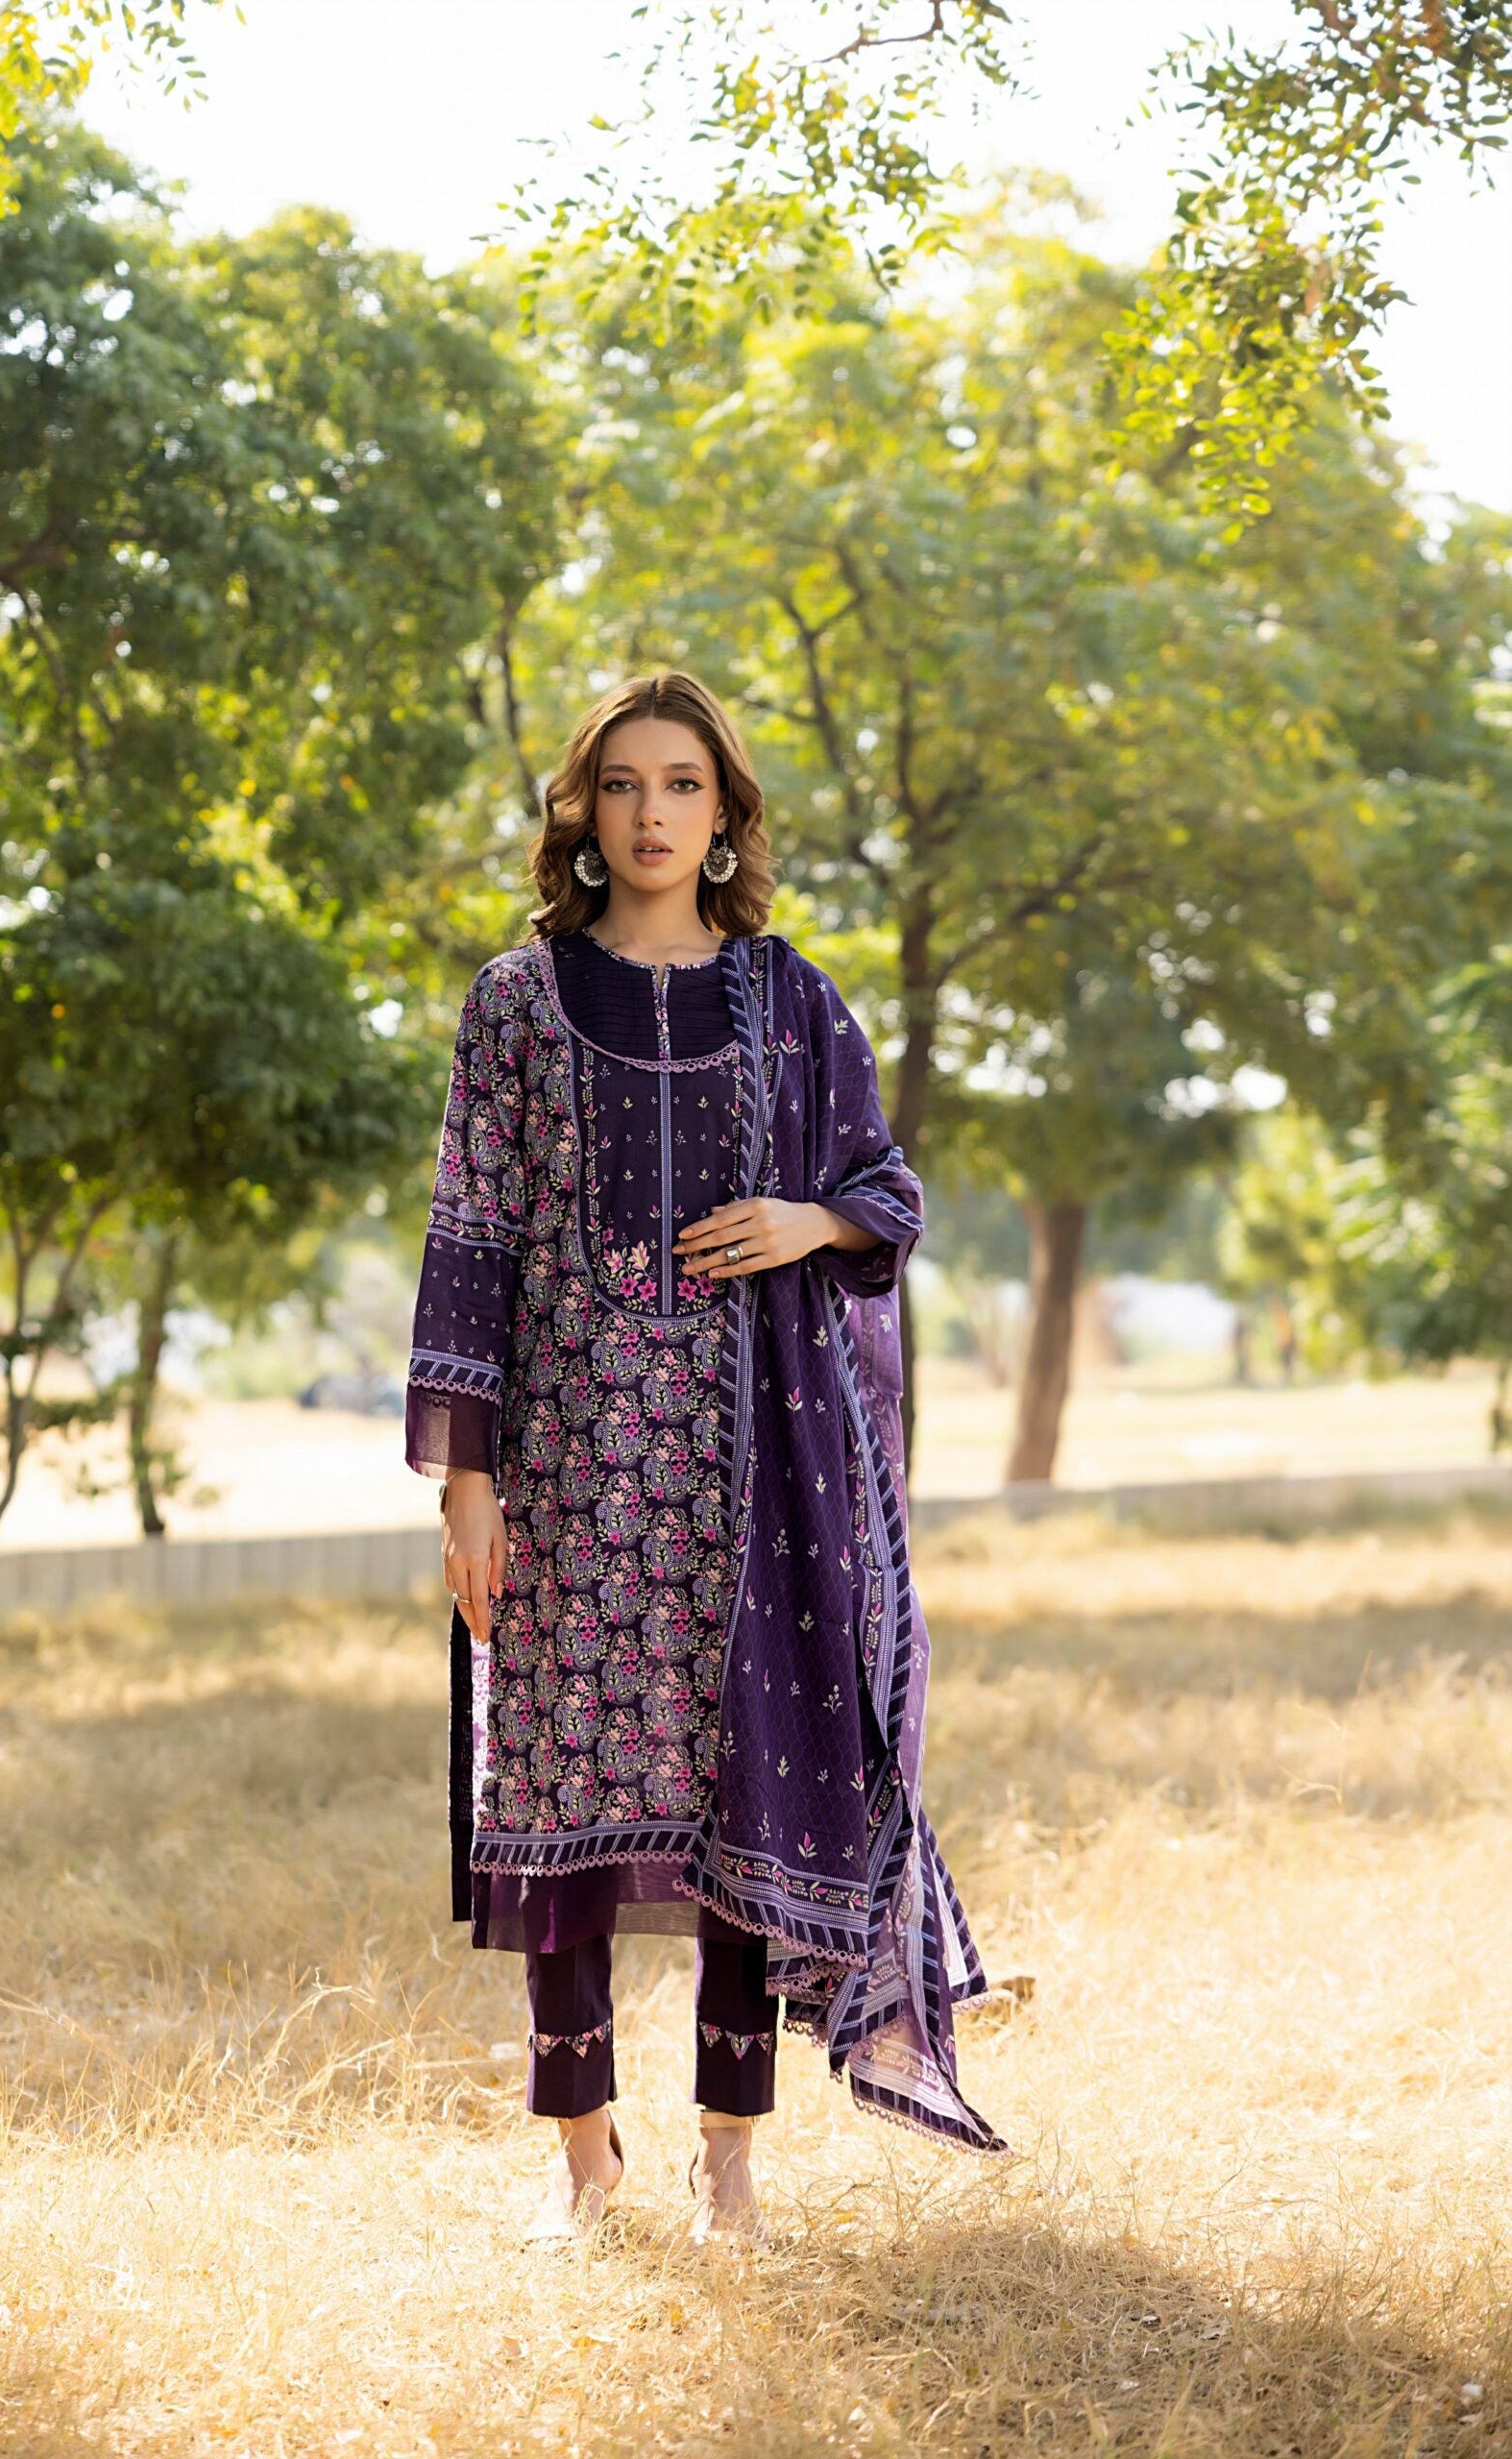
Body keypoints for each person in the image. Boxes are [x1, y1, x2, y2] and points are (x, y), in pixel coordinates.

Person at [403, 670, 1006, 2246]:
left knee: (752, 1796)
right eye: (622, 785)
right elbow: (470, 1235)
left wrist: (807, 1220)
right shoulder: (514, 1002)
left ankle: (730, 2159)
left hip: (753, 1477)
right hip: (568, 1465)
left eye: (682, 785)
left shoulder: (789, 999)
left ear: (725, 813)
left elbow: (887, 1192)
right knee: (554, 1803)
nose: (651, 813)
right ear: (583, 813)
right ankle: (581, 2161)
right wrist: (469, 1478)